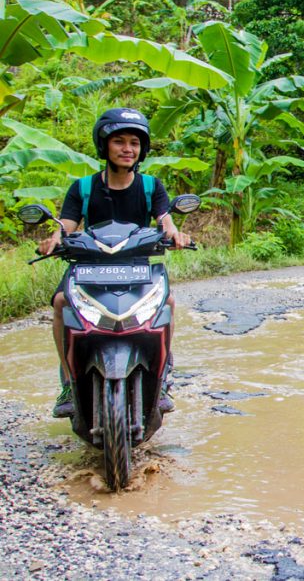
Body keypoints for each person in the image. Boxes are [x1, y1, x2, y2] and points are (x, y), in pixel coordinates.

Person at [38, 108, 191, 418]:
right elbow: (66, 225)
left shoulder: (151, 186)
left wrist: (175, 234)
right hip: (89, 266)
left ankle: (162, 377)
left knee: (169, 302)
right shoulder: (82, 187)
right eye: (119, 141)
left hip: (138, 266)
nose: (127, 149)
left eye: (134, 143)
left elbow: (165, 219)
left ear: (142, 149)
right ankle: (68, 382)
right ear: (104, 146)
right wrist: (54, 240)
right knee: (59, 303)